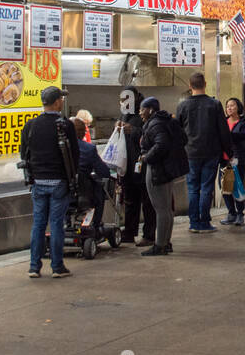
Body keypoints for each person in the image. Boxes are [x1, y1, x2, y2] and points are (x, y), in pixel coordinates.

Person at [19, 86, 79, 278]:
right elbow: (74, 155)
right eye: (61, 99)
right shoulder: (65, 125)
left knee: (38, 224)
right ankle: (57, 266)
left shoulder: (30, 125)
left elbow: (24, 153)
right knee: (56, 224)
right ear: (56, 102)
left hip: (38, 182)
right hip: (59, 182)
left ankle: (34, 267)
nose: (62, 101)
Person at [176, 72, 233, 234]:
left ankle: (194, 223)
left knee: (193, 188)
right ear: (205, 84)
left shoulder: (183, 105)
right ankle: (205, 222)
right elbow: (223, 131)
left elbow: (177, 131)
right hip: (211, 153)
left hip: (190, 153)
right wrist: (228, 152)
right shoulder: (214, 104)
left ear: (190, 85)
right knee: (206, 187)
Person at [137, 96, 189, 256]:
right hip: (168, 169)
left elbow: (161, 145)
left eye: (142, 109)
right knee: (166, 208)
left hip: (157, 170)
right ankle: (166, 242)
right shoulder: (168, 121)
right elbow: (183, 139)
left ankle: (160, 245)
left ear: (151, 109)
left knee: (161, 208)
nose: (140, 113)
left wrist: (146, 157)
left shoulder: (155, 124)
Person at [117, 88, 155, 246]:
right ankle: (130, 231)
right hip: (128, 165)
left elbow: (152, 136)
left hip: (143, 163)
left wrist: (134, 131)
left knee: (147, 201)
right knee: (130, 200)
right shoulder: (125, 114)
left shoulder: (147, 112)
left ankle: (149, 234)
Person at [72, 117, 110, 229]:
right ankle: (96, 224)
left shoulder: (59, 148)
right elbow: (104, 172)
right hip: (84, 193)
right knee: (99, 189)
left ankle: (67, 223)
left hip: (63, 192)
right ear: (82, 133)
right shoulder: (88, 149)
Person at [221, 97, 245, 227]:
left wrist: (226, 134)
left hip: (238, 160)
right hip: (224, 160)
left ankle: (240, 214)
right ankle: (231, 213)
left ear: (238, 107)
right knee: (225, 188)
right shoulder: (223, 123)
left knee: (237, 187)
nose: (229, 108)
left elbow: (242, 136)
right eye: (227, 106)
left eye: (232, 105)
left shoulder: (243, 123)